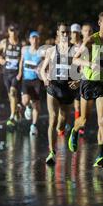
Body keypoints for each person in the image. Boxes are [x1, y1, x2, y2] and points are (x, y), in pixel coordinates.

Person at [69, 10, 103, 168]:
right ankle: (75, 131)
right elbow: (76, 59)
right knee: (83, 120)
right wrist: (90, 64)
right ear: (99, 23)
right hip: (89, 82)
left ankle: (99, 155)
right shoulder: (91, 40)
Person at [41, 22, 80, 165]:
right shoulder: (51, 51)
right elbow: (42, 69)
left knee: (62, 123)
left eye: (67, 32)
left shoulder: (75, 50)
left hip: (68, 90)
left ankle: (60, 130)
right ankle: (51, 152)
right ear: (57, 33)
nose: (65, 35)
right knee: (53, 118)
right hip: (53, 87)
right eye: (62, 32)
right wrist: (45, 78)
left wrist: (78, 81)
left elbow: (82, 69)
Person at [0, 24, 22, 129]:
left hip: (16, 73)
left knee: (13, 92)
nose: (13, 32)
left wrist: (21, 72)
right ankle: (16, 108)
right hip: (6, 73)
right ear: (8, 31)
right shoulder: (4, 43)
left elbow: (23, 58)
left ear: (18, 32)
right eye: (11, 30)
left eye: (15, 30)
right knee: (11, 96)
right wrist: (0, 59)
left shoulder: (21, 44)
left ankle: (12, 117)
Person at [19, 31, 43, 134]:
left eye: (36, 38)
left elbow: (45, 65)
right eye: (33, 38)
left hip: (36, 81)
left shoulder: (41, 52)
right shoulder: (24, 50)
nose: (34, 40)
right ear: (29, 40)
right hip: (26, 80)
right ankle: (27, 107)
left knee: (36, 105)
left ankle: (33, 126)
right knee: (25, 101)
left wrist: (42, 71)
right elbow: (21, 61)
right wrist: (20, 73)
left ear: (39, 40)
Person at [69, 23, 83, 132]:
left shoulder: (84, 46)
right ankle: (63, 125)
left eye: (77, 33)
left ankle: (78, 127)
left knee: (78, 106)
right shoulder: (67, 46)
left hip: (80, 78)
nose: (75, 35)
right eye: (73, 32)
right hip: (68, 78)